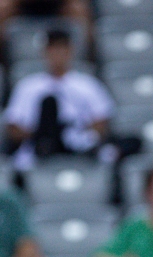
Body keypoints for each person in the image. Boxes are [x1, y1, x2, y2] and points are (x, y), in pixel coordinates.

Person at [3, 29, 114, 169]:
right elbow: (14, 127)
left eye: (62, 48)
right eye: (53, 48)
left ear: (71, 50)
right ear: (45, 52)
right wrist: (39, 133)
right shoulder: (27, 86)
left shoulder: (88, 84)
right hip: (41, 143)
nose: (58, 53)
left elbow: (101, 121)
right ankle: (48, 143)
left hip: (78, 142)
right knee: (49, 102)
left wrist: (77, 131)